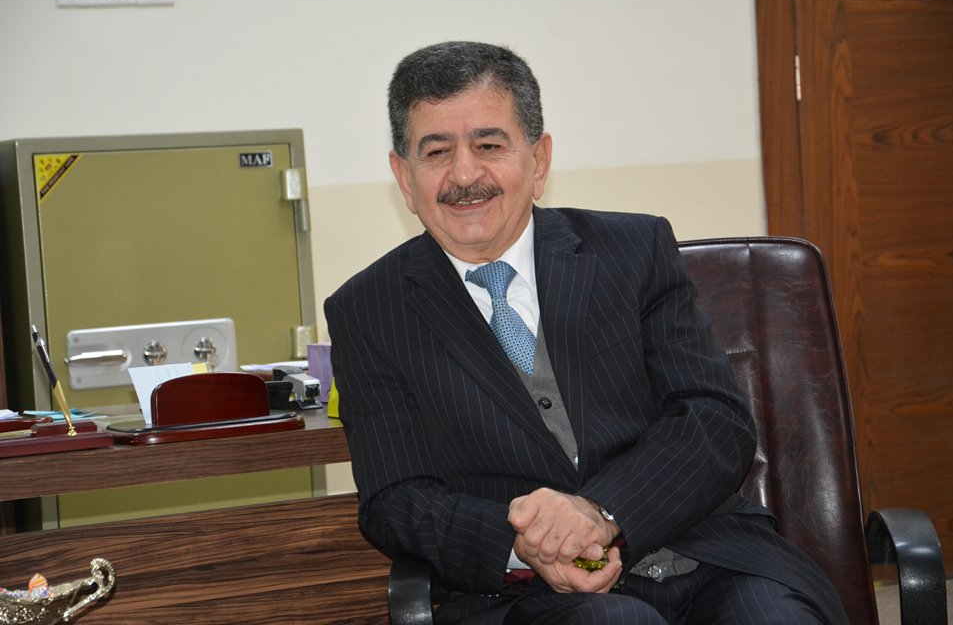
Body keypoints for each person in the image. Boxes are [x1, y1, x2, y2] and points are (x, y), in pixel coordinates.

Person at [324, 40, 847, 624]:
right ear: (404, 176)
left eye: (489, 145)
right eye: (437, 152)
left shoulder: (633, 250)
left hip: (706, 557)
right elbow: (396, 498)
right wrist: (525, 544)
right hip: (529, 596)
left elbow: (713, 418)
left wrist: (602, 510)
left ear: (539, 160)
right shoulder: (367, 310)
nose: (465, 174)